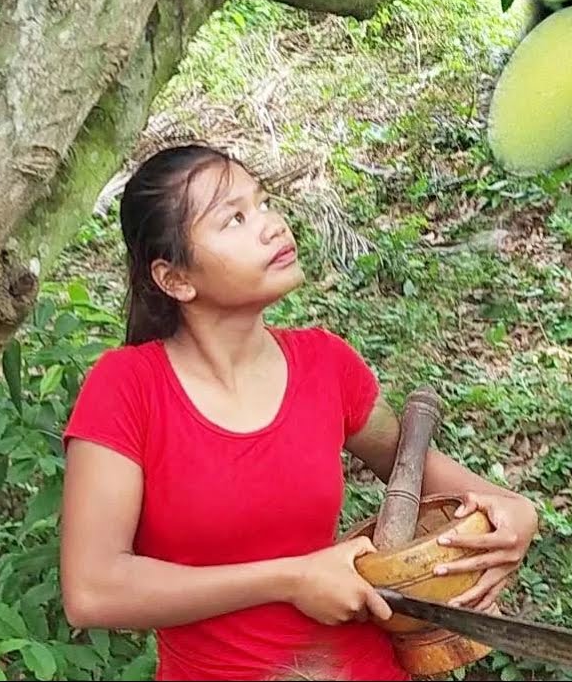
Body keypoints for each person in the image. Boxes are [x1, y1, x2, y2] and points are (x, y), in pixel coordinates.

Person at [58, 144, 540, 681]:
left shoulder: (325, 364)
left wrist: (514, 510)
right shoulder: (128, 388)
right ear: (175, 279)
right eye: (234, 218)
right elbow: (93, 590)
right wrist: (291, 578)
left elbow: (411, 463)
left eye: (263, 203)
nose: (271, 226)